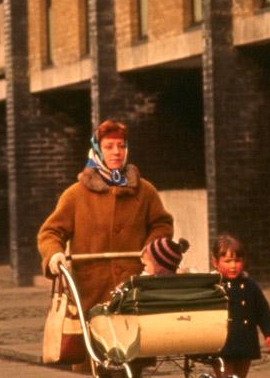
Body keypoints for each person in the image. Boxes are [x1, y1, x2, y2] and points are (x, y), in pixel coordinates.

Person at [38, 119, 174, 316]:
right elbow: (51, 232)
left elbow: (162, 224)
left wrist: (152, 248)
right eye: (108, 147)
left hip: (135, 288)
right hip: (90, 291)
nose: (116, 152)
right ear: (97, 151)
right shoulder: (76, 194)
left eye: (121, 146)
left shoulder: (145, 191)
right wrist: (54, 254)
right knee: (93, 344)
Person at [211, 234, 270, 378]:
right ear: (215, 262)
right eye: (228, 261)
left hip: (244, 341)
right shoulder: (213, 286)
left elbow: (262, 310)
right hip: (221, 343)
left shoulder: (249, 285)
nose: (233, 266)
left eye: (237, 261)